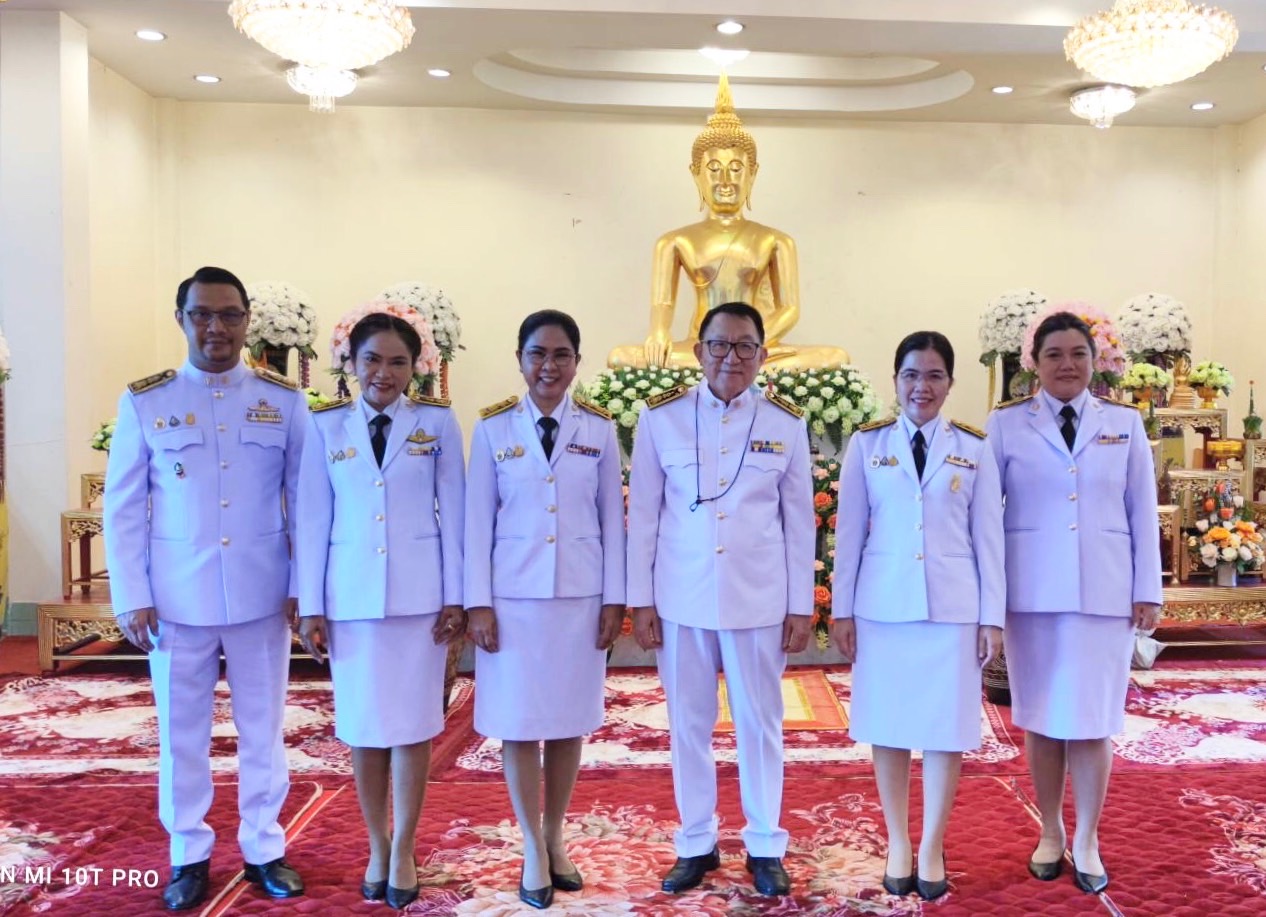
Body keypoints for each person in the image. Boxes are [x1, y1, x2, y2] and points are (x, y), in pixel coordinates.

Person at [103, 266, 307, 911]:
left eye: (229, 314)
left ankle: (264, 847)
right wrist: (132, 593)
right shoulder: (147, 400)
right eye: (202, 314)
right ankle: (187, 854)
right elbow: (122, 506)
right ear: (182, 319)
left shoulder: (284, 400)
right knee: (180, 733)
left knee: (263, 729)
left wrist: (304, 587)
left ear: (247, 321)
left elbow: (305, 501)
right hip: (175, 600)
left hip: (260, 594)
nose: (216, 327)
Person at [627, 301, 815, 897]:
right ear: (698, 351)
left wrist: (801, 605)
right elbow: (644, 516)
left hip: (757, 599)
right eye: (719, 344)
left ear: (762, 354)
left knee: (760, 725)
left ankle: (765, 845)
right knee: (688, 724)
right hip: (681, 596)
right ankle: (695, 841)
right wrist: (640, 600)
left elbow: (800, 521)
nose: (731, 357)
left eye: (744, 346)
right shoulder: (661, 419)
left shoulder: (785, 423)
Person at [985, 311, 1162, 894]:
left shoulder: (1124, 423)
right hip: (1032, 594)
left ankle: (1087, 836)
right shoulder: (1006, 425)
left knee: (1092, 721)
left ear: (1095, 360)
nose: (1067, 364)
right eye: (1054, 354)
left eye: (1078, 354)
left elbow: (1142, 509)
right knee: (1040, 718)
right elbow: (987, 517)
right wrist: (990, 600)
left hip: (1104, 594)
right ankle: (1050, 830)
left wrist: (1147, 589)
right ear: (1033, 363)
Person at [295, 312, 466, 909]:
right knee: (364, 729)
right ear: (352, 362)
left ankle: (405, 847)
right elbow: (312, 518)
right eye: (372, 359)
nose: (384, 373)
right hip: (352, 601)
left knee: (414, 728)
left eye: (398, 362)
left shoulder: (437, 423)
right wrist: (311, 605)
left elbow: (457, 514)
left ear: (415, 367)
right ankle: (377, 843)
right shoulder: (325, 426)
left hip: (420, 603)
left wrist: (456, 596)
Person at [831, 331, 1005, 901]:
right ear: (896, 380)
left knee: (944, 729)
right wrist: (842, 610)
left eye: (933, 375)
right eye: (911, 375)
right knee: (888, 725)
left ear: (949, 383)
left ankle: (931, 843)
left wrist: (992, 617)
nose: (921, 387)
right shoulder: (868, 445)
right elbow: (849, 535)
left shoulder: (974, 448)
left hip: (952, 609)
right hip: (883, 608)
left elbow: (989, 538)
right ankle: (898, 841)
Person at [464, 309, 626, 910]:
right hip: (512, 602)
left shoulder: (599, 429)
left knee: (565, 721)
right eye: (538, 354)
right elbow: (476, 522)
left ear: (577, 362)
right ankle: (530, 844)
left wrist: (614, 599)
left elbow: (613, 520)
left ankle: (555, 836)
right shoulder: (492, 429)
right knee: (518, 722)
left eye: (561, 355)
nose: (548, 366)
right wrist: (477, 602)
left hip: (578, 600)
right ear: (520, 359)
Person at [606, 75, 848, 370]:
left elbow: (789, 309)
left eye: (735, 168)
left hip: (757, 345)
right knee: (620, 357)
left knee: (834, 358)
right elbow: (662, 305)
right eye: (713, 168)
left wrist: (750, 344)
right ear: (696, 174)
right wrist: (658, 334)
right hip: (700, 348)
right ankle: (728, 358)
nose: (725, 179)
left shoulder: (776, 241)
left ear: (752, 173)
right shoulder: (674, 242)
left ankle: (743, 357)